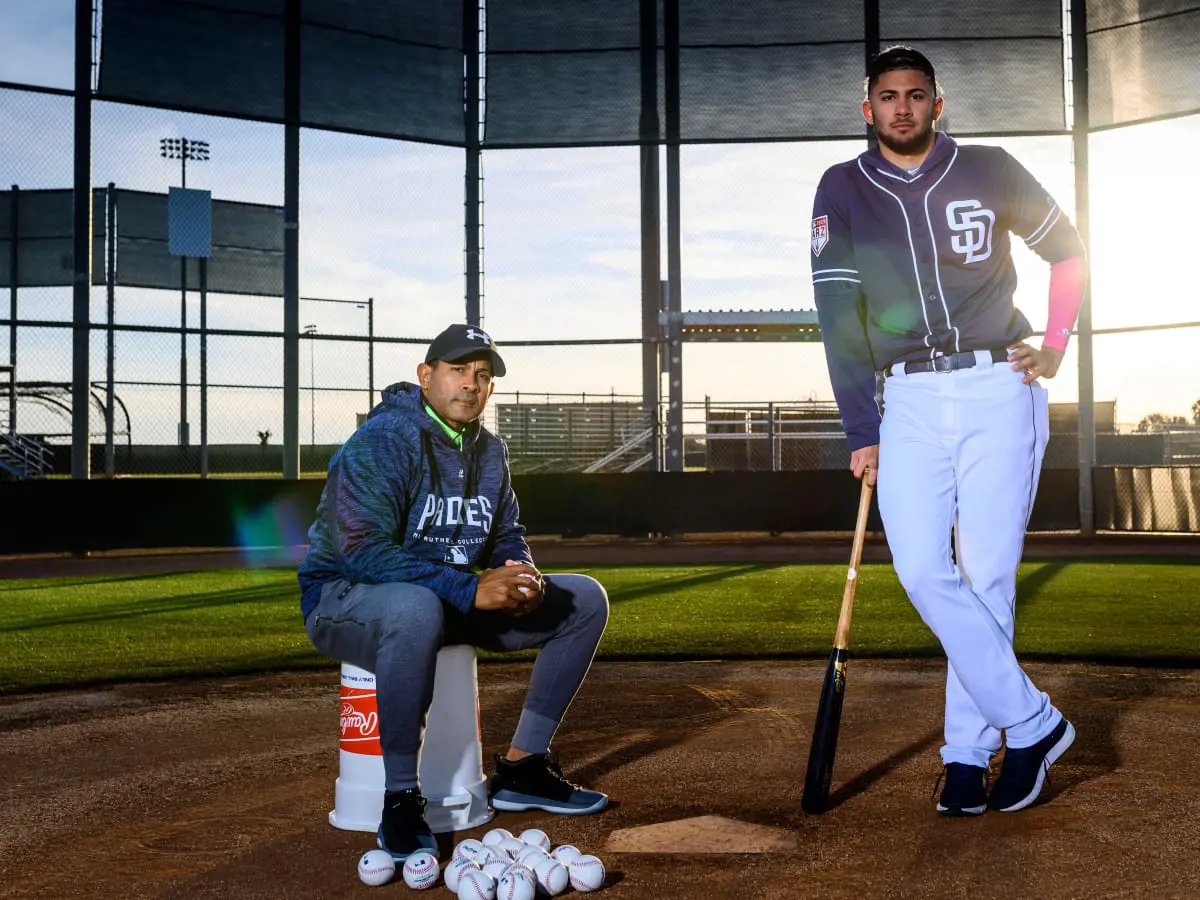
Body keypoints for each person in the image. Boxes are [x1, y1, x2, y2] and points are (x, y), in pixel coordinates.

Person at [810, 46, 1086, 816]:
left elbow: (1069, 253)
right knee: (927, 572)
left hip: (1001, 384)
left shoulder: (991, 168)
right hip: (908, 403)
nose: (903, 107)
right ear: (868, 109)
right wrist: (860, 425)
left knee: (987, 576)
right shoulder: (841, 188)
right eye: (888, 96)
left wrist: (1058, 341)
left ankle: (968, 758)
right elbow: (839, 320)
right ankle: (1032, 722)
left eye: (917, 94)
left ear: (939, 104)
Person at [298, 323, 610, 862]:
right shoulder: (383, 440)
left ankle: (523, 768)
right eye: (459, 370)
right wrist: (467, 588)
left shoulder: (490, 451)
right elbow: (361, 552)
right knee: (414, 607)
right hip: (347, 599)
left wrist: (520, 572)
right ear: (426, 376)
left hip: (445, 597)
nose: (472, 383)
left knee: (583, 599)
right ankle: (399, 799)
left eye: (484, 375)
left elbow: (505, 531)